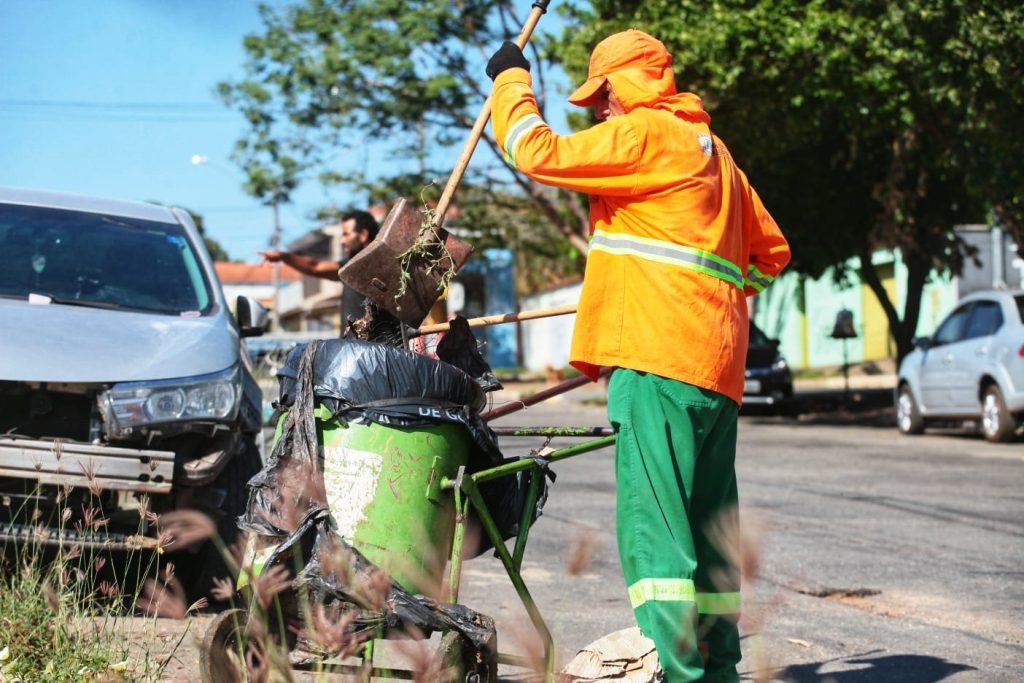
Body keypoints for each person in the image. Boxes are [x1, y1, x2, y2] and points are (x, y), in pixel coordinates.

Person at [486, 30, 791, 681]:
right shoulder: (717, 154)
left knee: (658, 538)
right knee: (708, 536)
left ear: (627, 86)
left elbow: (536, 151)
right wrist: (710, 301)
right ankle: (717, 673)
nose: (600, 109)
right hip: (714, 372)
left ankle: (676, 672)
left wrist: (511, 80)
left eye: (602, 95)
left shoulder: (647, 134)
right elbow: (770, 255)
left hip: (656, 361)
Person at [260, 210, 379, 330]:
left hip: (373, 346)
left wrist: (283, 257)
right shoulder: (350, 268)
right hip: (351, 346)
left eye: (346, 234)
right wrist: (283, 257)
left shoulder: (380, 267)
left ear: (363, 235)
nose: (342, 241)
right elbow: (315, 267)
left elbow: (315, 267)